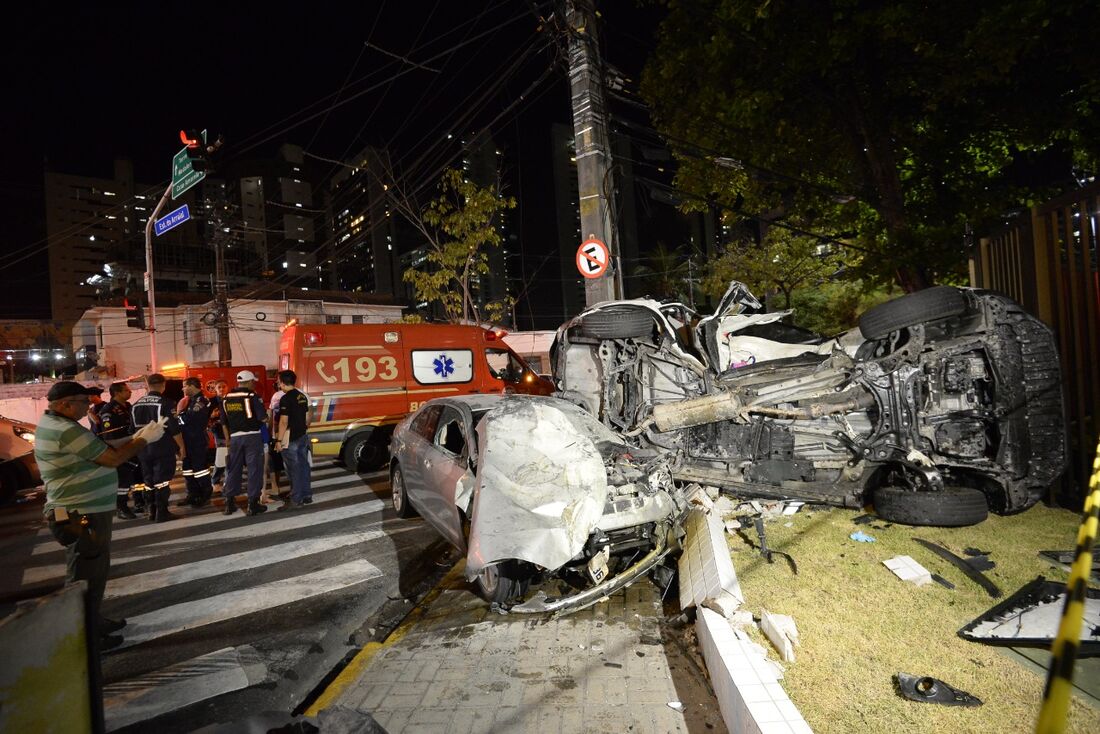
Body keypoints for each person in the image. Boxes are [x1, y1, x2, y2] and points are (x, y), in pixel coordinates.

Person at [35, 381, 166, 651]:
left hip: (81, 510)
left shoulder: (60, 424)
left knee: (93, 570)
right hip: (79, 512)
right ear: (65, 404)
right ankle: (84, 637)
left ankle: (92, 620)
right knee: (84, 574)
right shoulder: (65, 430)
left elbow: (99, 445)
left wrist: (135, 435)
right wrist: (143, 440)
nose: (90, 405)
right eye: (84, 401)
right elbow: (112, 458)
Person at [131, 373, 183, 522]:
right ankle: (162, 511)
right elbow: (174, 428)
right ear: (163, 385)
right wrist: (181, 447)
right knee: (162, 480)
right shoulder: (166, 403)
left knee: (148, 481)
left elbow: (131, 429)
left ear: (148, 385)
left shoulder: (136, 405)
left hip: (143, 448)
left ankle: (151, 511)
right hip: (162, 448)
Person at [221, 370, 268, 516]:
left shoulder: (226, 398)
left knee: (233, 469)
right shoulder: (252, 396)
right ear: (248, 382)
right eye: (253, 382)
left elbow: (223, 422)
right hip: (252, 437)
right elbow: (263, 418)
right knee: (254, 469)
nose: (254, 384)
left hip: (235, 438)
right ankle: (252, 504)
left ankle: (229, 503)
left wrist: (228, 438)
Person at [94, 382, 143, 520]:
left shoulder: (128, 407)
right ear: (117, 393)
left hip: (133, 448)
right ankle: (121, 507)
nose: (130, 392)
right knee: (123, 481)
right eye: (126, 390)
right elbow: (109, 437)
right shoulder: (108, 411)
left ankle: (139, 501)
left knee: (137, 478)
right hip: (119, 451)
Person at [274, 370, 312, 509]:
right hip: (302, 435)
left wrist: (278, 441)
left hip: (290, 438)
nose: (278, 383)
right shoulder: (301, 396)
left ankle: (296, 499)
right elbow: (308, 417)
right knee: (303, 466)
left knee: (293, 469)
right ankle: (307, 494)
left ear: (283, 383)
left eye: (278, 381)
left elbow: (283, 422)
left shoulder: (285, 398)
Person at [176, 377, 215, 508]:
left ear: (192, 386)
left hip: (197, 439)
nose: (183, 389)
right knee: (187, 469)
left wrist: (178, 417)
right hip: (187, 439)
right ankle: (192, 494)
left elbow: (189, 418)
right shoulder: (190, 401)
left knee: (200, 469)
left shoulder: (201, 401)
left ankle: (205, 494)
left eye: (184, 386)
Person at [263, 383, 285, 504]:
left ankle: (275, 487)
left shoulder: (276, 396)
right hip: (285, 433)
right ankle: (276, 486)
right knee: (280, 461)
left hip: (277, 433)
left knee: (273, 461)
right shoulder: (299, 394)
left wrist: (269, 433)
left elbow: (271, 415)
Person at [209, 380, 229, 491]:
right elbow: (206, 417)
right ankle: (215, 481)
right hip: (219, 432)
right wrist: (212, 416)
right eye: (219, 387)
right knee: (221, 458)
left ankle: (228, 481)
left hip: (232, 431)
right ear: (215, 389)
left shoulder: (231, 399)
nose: (221, 389)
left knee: (230, 458)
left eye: (224, 386)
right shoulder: (211, 402)